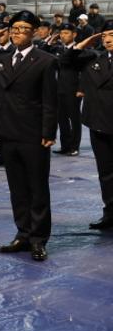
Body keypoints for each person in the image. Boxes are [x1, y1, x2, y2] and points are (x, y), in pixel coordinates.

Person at [0, 11, 58, 262]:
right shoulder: (1, 57)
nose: (18, 32)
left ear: (34, 33)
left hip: (33, 133)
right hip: (7, 131)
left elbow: (50, 101)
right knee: (17, 188)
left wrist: (48, 132)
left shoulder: (45, 60)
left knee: (37, 188)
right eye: (14, 28)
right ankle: (23, 233)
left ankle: (38, 240)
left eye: (23, 28)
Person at [69, 21, 113, 231]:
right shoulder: (95, 58)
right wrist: (88, 41)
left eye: (112, 34)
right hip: (98, 123)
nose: (108, 39)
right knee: (105, 172)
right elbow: (67, 59)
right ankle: (110, 214)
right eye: (104, 35)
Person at [51, 23, 82, 156]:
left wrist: (81, 88)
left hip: (74, 89)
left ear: (74, 34)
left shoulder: (79, 49)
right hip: (60, 88)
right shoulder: (58, 49)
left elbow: (84, 72)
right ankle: (65, 145)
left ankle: (74, 146)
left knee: (74, 118)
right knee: (61, 118)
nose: (63, 36)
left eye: (66, 33)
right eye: (61, 33)